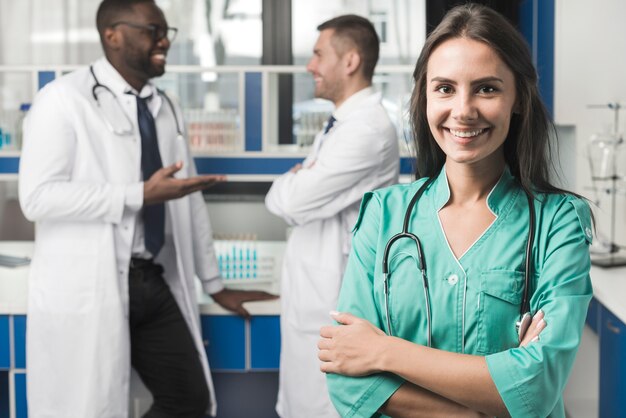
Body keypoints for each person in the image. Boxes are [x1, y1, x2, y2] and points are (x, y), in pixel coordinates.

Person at [317, 4, 593, 418]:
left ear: (517, 98)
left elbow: (537, 387)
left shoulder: (559, 222)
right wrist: (481, 407)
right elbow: (348, 381)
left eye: (486, 88)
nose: (463, 110)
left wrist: (383, 351)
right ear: (424, 96)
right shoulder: (382, 215)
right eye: (444, 88)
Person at [18, 0, 275, 417]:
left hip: (150, 280)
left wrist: (215, 283)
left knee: (189, 400)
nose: (163, 41)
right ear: (112, 34)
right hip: (91, 283)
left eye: (166, 32)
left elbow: (187, 202)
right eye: (151, 31)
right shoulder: (63, 99)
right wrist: (136, 194)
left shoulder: (166, 105)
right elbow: (37, 197)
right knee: (89, 406)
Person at [265, 14, 400, 418]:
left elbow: (287, 202)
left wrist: (294, 184)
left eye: (318, 54)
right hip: (315, 295)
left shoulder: (367, 131)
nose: (310, 66)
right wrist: (297, 187)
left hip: (335, 302)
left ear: (350, 61)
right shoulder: (342, 123)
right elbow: (297, 199)